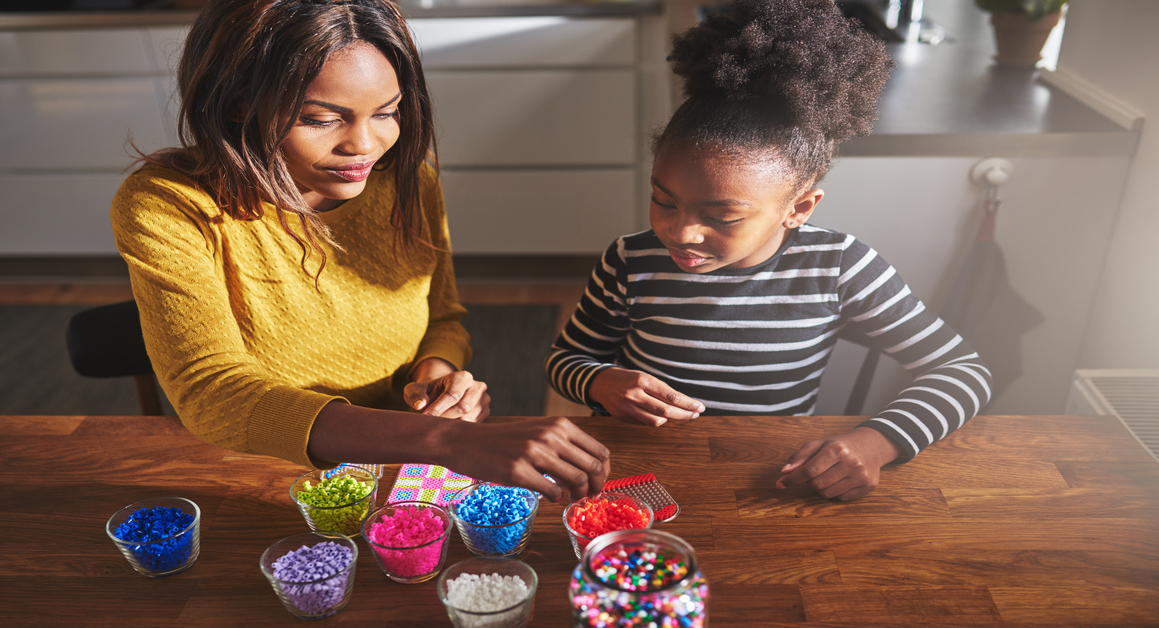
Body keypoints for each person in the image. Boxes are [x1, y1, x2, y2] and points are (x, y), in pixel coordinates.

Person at [111, 0, 608, 502]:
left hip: (401, 451)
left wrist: (435, 374)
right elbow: (213, 392)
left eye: (387, 112)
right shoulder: (168, 205)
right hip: (259, 469)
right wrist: (446, 439)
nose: (366, 146)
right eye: (322, 118)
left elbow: (444, 318)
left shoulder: (408, 181)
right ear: (240, 103)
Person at [546, 0, 991, 501]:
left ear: (798, 208)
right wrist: (599, 383)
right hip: (632, 472)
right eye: (663, 201)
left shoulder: (840, 267)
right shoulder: (630, 261)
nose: (682, 232)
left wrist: (878, 440)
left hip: (763, 479)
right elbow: (567, 358)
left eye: (722, 218)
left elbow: (962, 373)